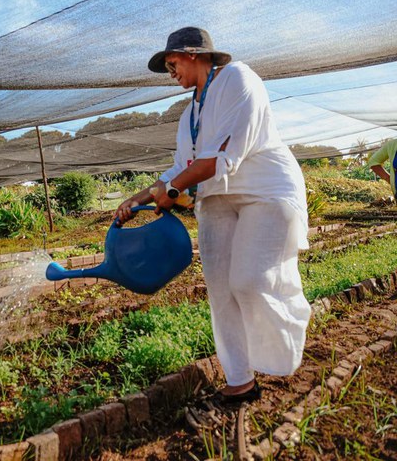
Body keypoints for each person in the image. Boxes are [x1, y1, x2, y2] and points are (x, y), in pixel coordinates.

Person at [115, 27, 310, 403]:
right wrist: (140, 197)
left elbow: (222, 158)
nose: (170, 71)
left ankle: (287, 333)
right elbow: (180, 168)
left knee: (250, 282)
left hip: (266, 191)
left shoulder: (238, 79)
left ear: (194, 54)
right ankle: (241, 381)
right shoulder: (190, 111)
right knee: (221, 293)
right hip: (217, 199)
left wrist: (171, 192)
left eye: (172, 63)